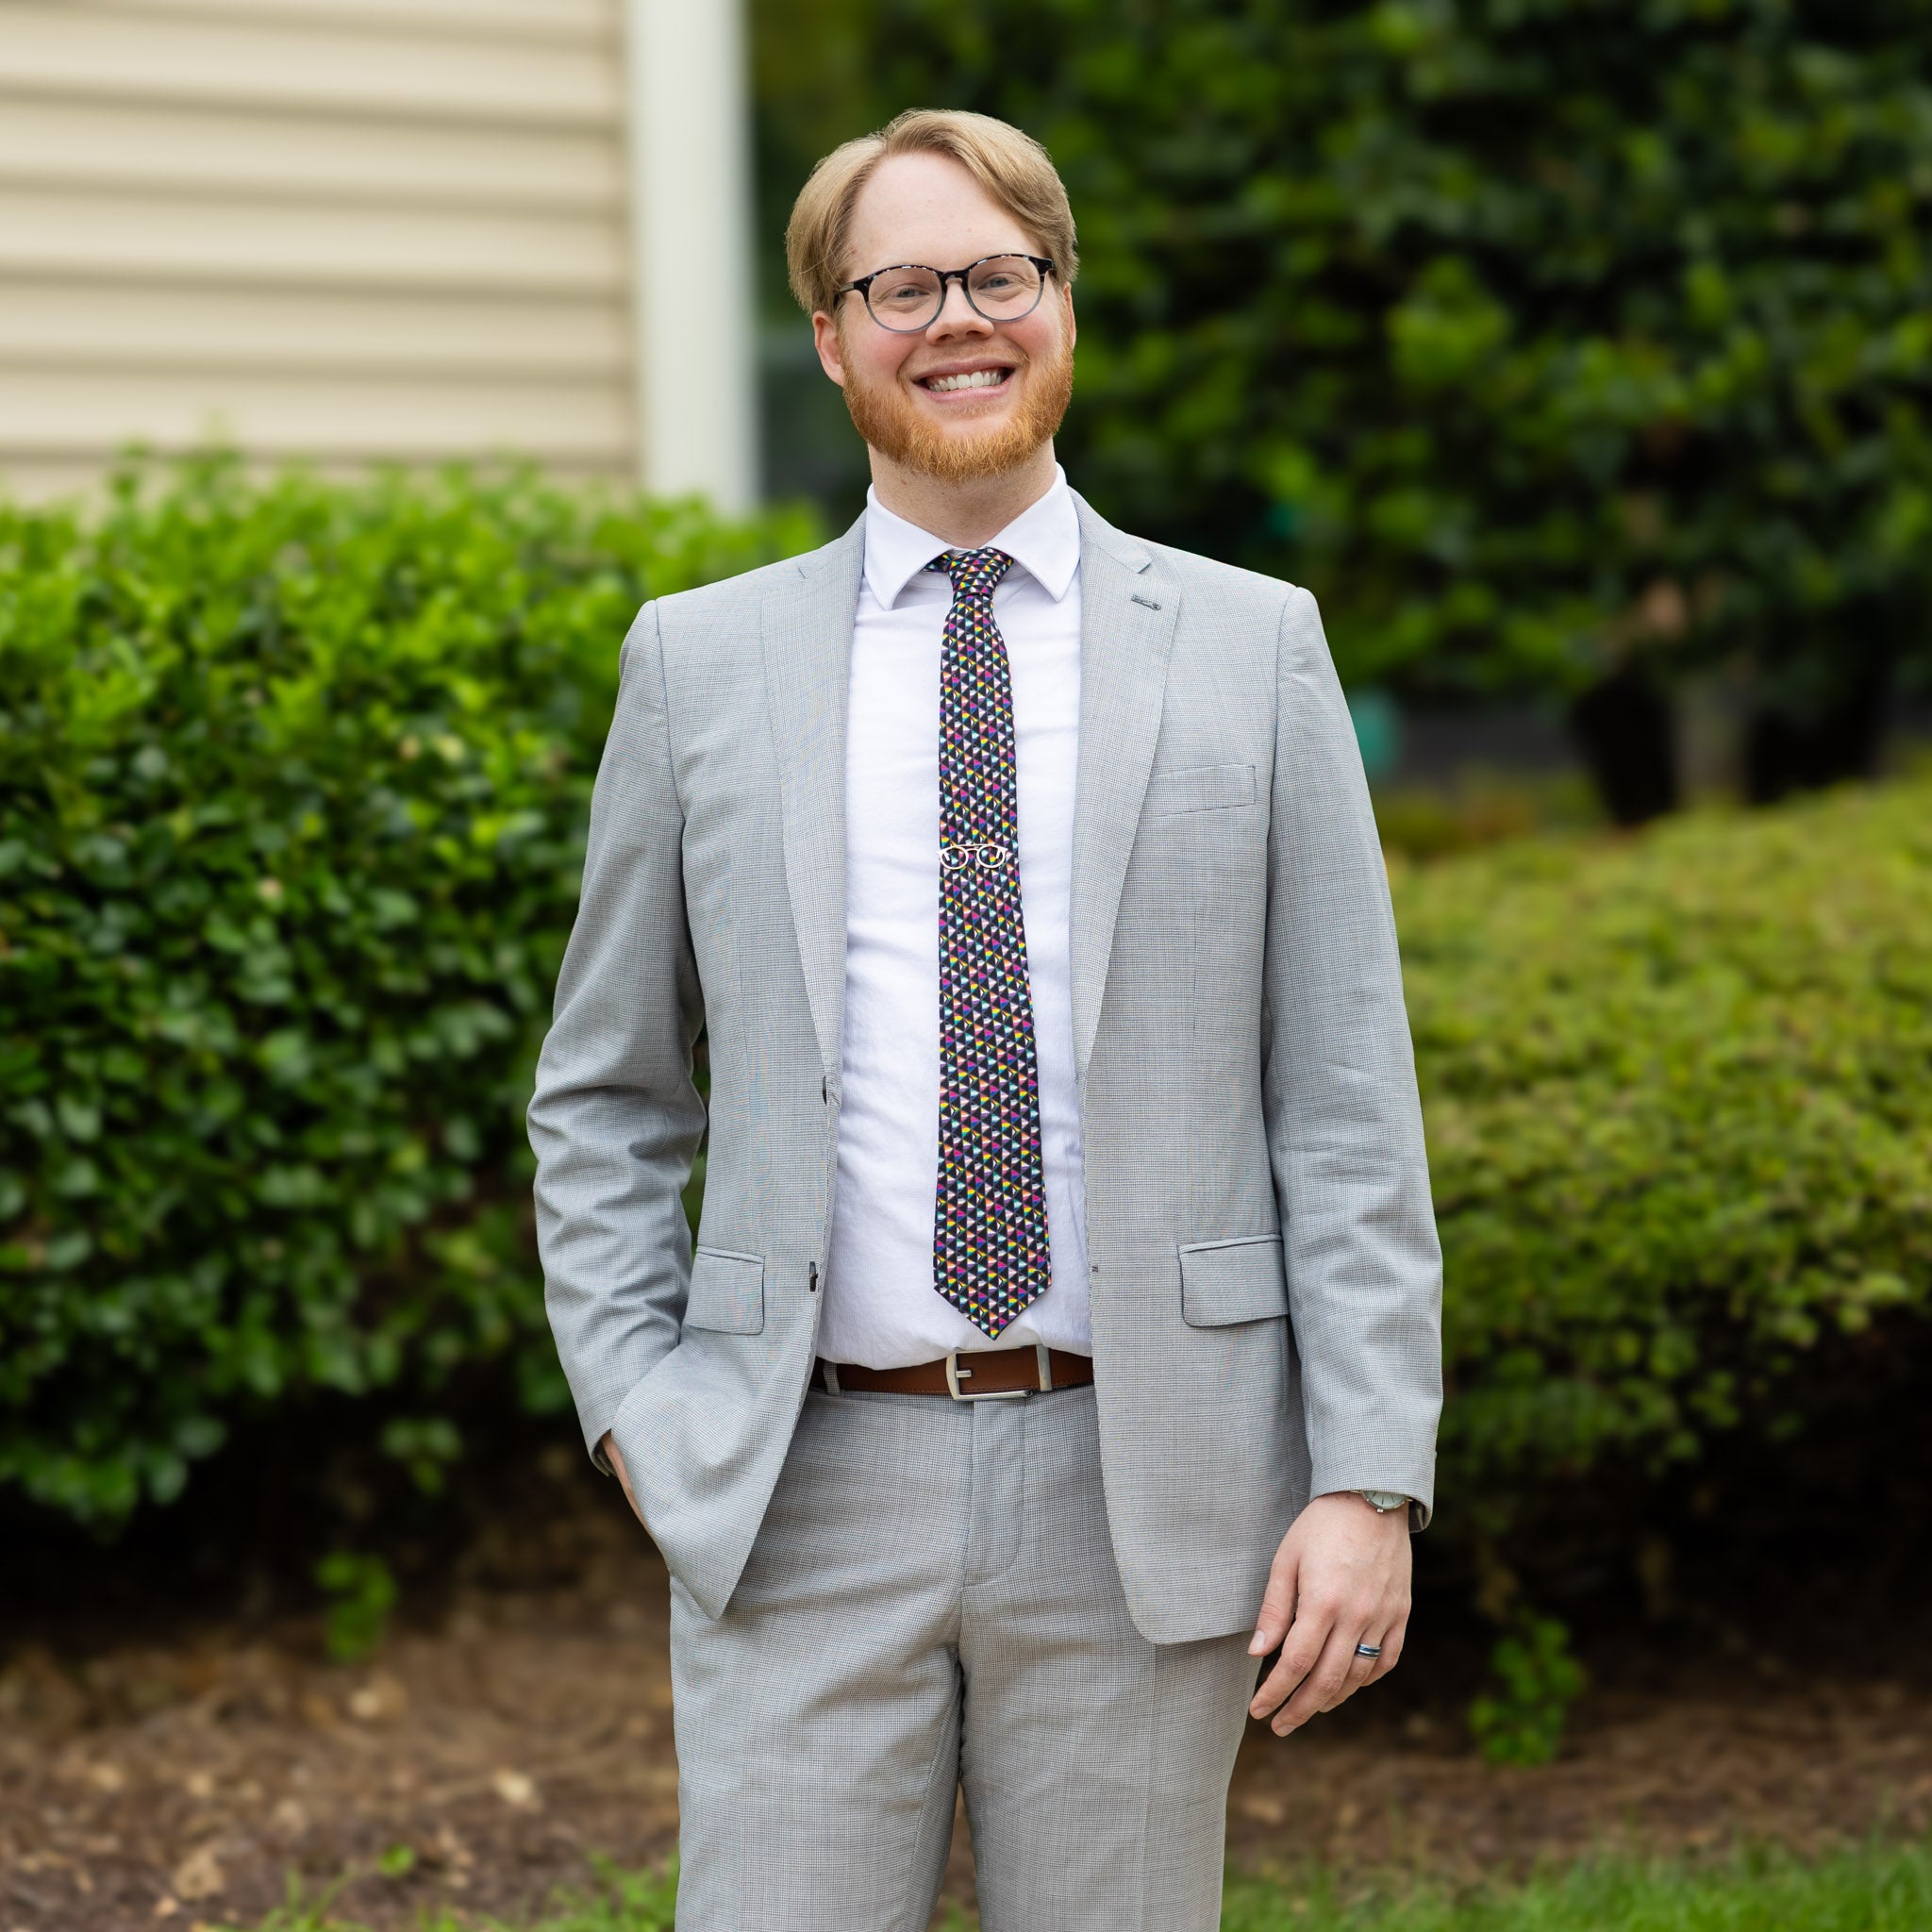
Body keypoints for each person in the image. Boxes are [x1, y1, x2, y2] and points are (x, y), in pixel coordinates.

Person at [527, 107, 1441, 1932]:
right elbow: (610, 1089)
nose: (958, 318)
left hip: (1146, 1492)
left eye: (998, 274)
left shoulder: (1254, 649)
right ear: (832, 334)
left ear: (1063, 304)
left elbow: (1343, 1102)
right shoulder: (696, 663)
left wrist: (1367, 1479)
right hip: (798, 1485)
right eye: (903, 283)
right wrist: (640, 1405)